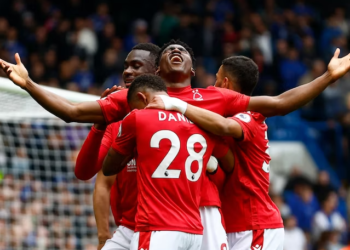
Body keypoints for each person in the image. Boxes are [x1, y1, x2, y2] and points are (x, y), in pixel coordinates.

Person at [102, 74, 234, 250]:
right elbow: (230, 163)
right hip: (193, 230)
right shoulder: (202, 122)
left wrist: (133, 146)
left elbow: (108, 168)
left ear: (142, 98)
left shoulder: (137, 118)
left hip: (157, 226)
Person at [75, 43, 161, 250]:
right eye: (126, 66)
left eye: (136, 66)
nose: (127, 72)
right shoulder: (118, 119)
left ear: (156, 72)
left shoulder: (181, 113)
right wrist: (104, 235)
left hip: (167, 227)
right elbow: (100, 181)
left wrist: (29, 85)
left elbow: (72, 112)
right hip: (128, 229)